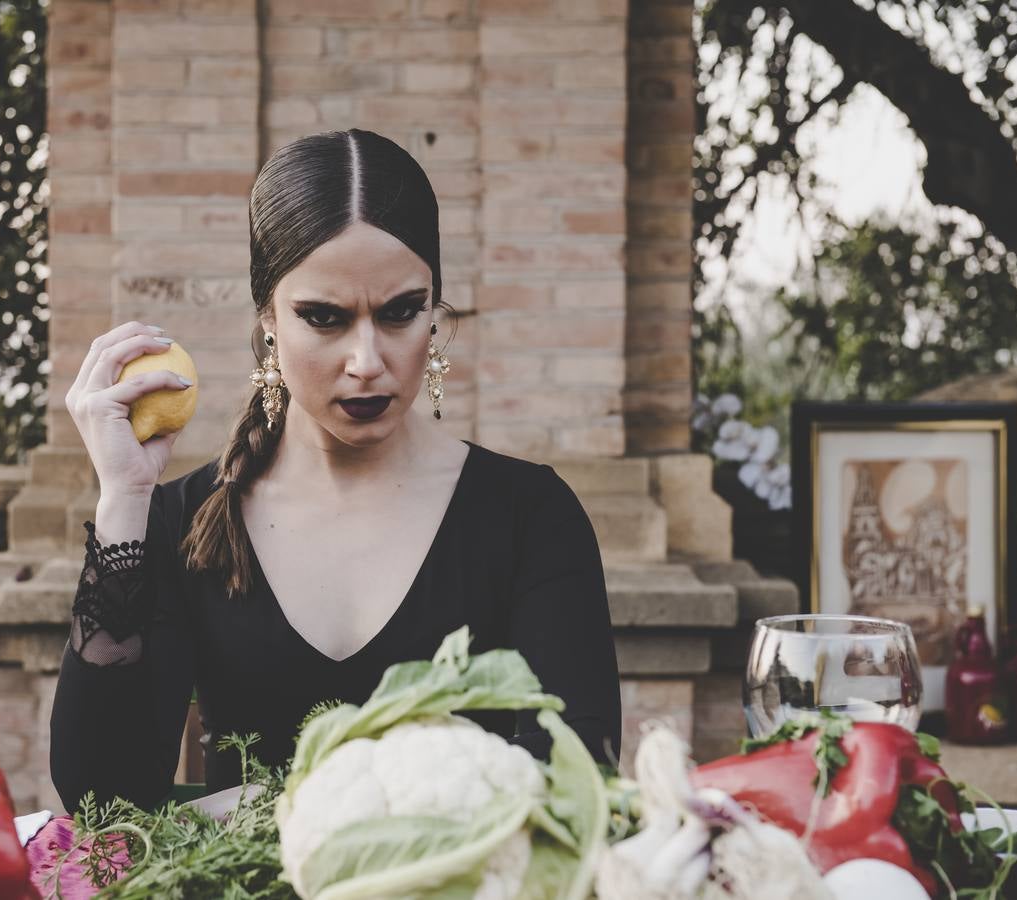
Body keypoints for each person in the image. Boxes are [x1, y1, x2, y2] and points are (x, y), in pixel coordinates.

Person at [50, 128, 621, 814]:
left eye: (401, 312)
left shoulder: (532, 516)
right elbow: (102, 798)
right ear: (268, 321)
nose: (367, 360)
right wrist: (123, 501)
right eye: (324, 318)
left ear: (435, 313)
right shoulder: (182, 521)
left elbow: (577, 775)